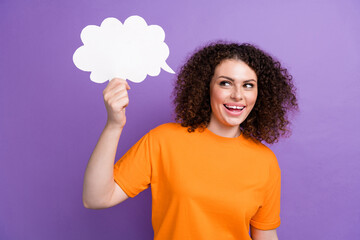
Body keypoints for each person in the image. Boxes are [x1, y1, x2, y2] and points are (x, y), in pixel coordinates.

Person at [82, 41, 298, 240]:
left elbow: (265, 233)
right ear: (207, 88)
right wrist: (114, 124)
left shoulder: (265, 161)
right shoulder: (163, 140)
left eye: (248, 85)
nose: (238, 95)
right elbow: (96, 198)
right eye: (225, 83)